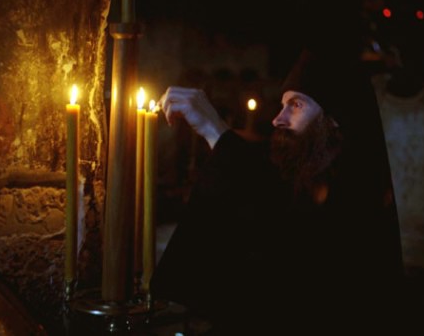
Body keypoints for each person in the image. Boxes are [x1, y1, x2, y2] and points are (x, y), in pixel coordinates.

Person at [150, 44, 406, 335]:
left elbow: (290, 260)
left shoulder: (361, 205)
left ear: (335, 120)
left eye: (296, 105)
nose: (277, 119)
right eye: (283, 105)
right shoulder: (303, 183)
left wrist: (216, 131)